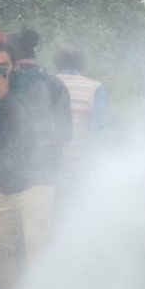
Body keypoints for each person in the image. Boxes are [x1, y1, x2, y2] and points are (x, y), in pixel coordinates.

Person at [0, 33, 72, 289]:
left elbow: (37, 130)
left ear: (15, 65)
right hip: (4, 183)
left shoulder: (39, 85)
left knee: (36, 246)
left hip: (37, 181)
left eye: (3, 65)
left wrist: (6, 96)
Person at [53, 46, 110, 188]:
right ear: (82, 65)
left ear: (57, 64)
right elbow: (98, 131)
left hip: (50, 166)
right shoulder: (94, 88)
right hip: (80, 166)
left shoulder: (48, 83)